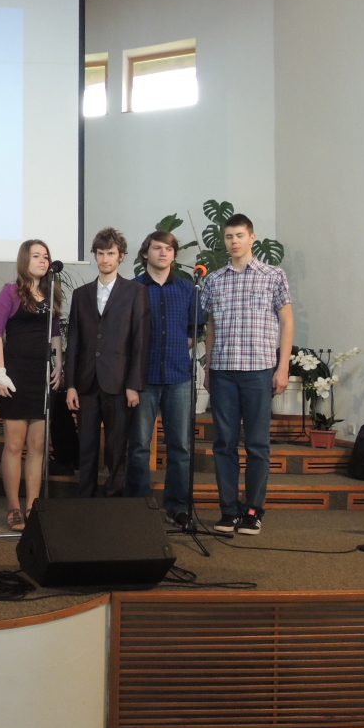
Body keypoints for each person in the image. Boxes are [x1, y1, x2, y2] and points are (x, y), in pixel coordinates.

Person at [201, 214, 294, 536]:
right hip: (223, 371)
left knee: (257, 444)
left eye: (239, 235)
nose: (234, 241)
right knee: (224, 444)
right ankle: (229, 511)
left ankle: (253, 511)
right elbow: (210, 326)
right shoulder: (214, 280)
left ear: (252, 237)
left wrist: (283, 366)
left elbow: (287, 321)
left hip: (259, 370)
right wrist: (208, 367)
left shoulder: (273, 275)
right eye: (229, 236)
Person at [126, 231, 204, 524]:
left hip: (178, 376)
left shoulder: (187, 289)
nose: (163, 253)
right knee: (139, 447)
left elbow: (195, 329)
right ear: (145, 253)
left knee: (180, 447)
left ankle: (178, 508)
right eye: (157, 248)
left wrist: (178, 345)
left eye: (168, 249)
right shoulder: (132, 289)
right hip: (143, 379)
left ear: (174, 255)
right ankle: (138, 508)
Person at [65, 227, 150, 498]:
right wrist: (71, 385)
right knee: (86, 447)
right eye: (100, 253)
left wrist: (133, 384)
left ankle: (113, 501)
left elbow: (139, 341)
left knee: (117, 448)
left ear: (121, 256)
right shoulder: (81, 294)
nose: (105, 259)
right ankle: (86, 502)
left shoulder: (135, 292)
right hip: (87, 382)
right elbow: (74, 342)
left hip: (120, 382)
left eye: (110, 253)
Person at [0, 239, 63, 530]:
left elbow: (55, 334)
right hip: (16, 375)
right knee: (14, 444)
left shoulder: (51, 293)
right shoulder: (10, 291)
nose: (43, 260)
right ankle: (14, 508)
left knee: (37, 445)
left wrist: (59, 364)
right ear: (24, 260)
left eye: (46, 256)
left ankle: (33, 507)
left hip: (41, 375)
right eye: (36, 256)